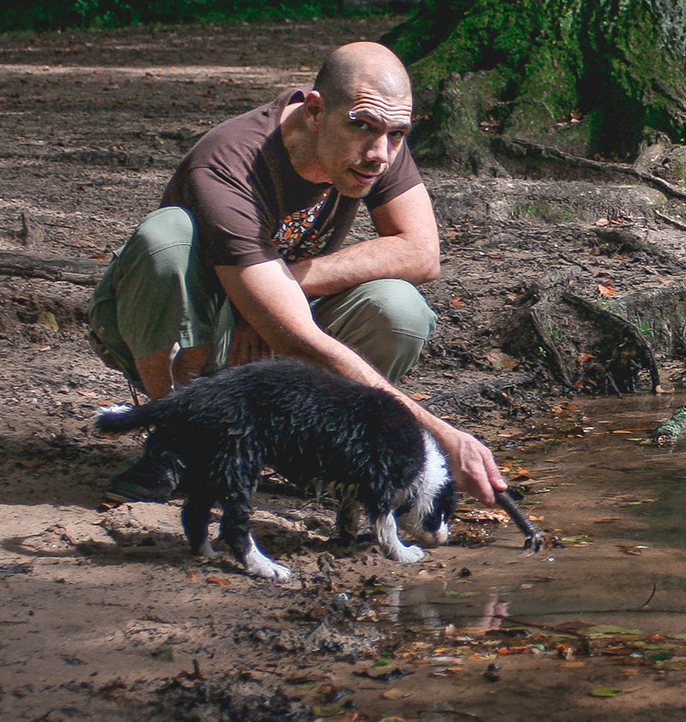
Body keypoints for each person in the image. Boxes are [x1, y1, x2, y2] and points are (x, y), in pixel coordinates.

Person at [87, 40, 505, 506]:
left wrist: (273, 293)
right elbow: (296, 338)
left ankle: (319, 447)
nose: (380, 154)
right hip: (182, 324)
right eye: (363, 128)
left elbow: (422, 253)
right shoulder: (229, 162)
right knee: (167, 235)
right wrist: (442, 436)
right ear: (314, 111)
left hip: (261, 317)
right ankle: (178, 439)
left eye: (397, 134)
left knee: (399, 308)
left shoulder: (376, 138)